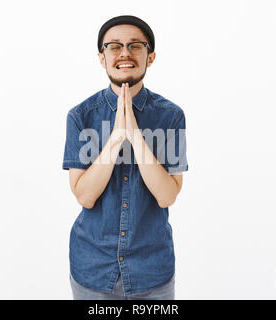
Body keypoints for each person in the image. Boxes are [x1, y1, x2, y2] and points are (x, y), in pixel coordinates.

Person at [62, 15, 188, 300]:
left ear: (151, 56)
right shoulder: (80, 116)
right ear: (101, 57)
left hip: (152, 271)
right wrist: (118, 135)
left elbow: (167, 196)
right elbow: (84, 196)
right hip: (92, 269)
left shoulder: (171, 116)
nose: (124, 53)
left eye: (135, 46)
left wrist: (135, 135)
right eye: (114, 46)